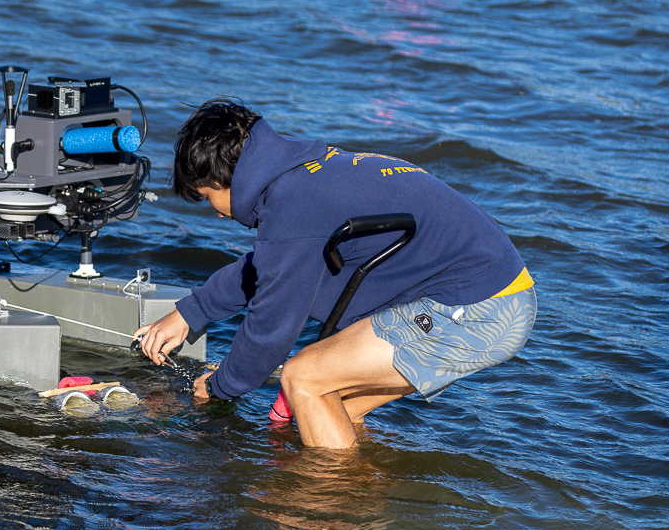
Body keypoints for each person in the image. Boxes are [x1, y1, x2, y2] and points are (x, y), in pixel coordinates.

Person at [134, 100, 536, 449]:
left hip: (482, 307)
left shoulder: (292, 207)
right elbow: (269, 267)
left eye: (207, 198)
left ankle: (328, 523)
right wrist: (192, 312)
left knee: (305, 376)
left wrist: (221, 385)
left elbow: (271, 328)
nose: (217, 212)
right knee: (333, 400)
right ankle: (358, 504)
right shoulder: (306, 175)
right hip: (498, 293)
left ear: (224, 180)